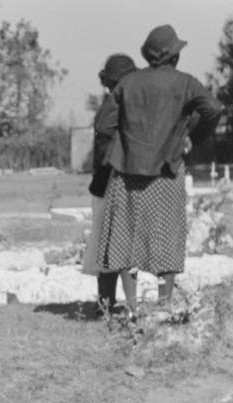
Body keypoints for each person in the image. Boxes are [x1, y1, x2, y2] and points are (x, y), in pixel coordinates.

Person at [96, 25, 222, 311]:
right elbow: (213, 109)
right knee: (167, 236)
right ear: (174, 57)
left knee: (125, 240)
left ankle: (131, 309)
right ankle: (164, 307)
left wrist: (127, 140)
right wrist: (191, 137)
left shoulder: (128, 83)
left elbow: (103, 125)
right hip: (167, 172)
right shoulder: (186, 83)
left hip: (127, 175)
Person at [82, 53, 138, 316]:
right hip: (110, 179)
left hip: (111, 179)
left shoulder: (115, 103)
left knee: (111, 244)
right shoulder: (119, 103)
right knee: (111, 244)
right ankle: (114, 302)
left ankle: (114, 303)